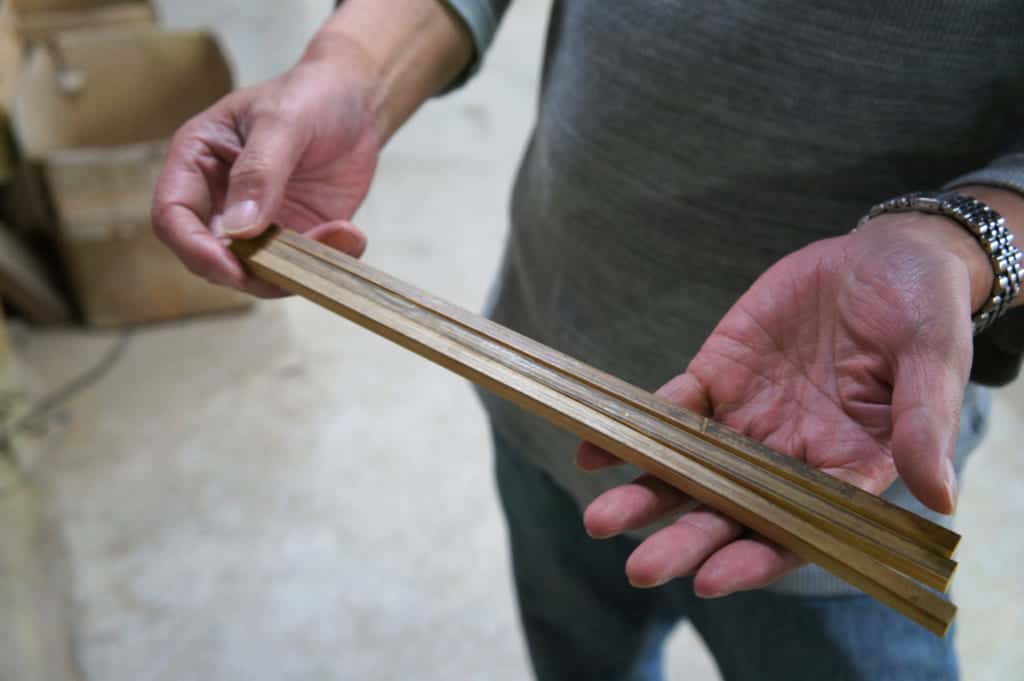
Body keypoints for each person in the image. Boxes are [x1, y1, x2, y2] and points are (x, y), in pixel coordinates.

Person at [153, 2, 1024, 679]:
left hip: (836, 460)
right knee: (577, 652)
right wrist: (354, 68)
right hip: (545, 356)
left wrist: (965, 239)